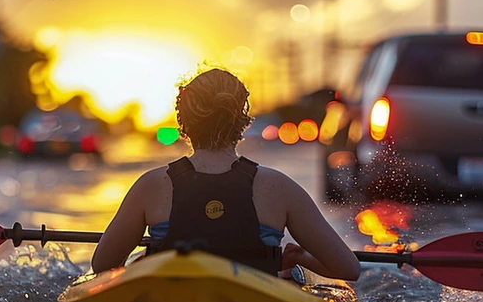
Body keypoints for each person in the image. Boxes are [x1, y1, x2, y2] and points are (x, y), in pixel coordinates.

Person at [91, 68, 361, 281]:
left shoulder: (150, 186)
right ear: (242, 122)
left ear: (183, 122)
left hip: (170, 297)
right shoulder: (279, 187)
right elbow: (349, 268)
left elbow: (103, 265)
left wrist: (144, 259)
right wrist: (300, 256)